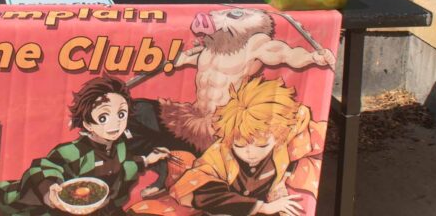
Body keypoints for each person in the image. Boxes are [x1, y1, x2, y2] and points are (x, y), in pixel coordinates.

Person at [127, 77, 325, 216]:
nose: (250, 151)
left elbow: (300, 118)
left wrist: (282, 185)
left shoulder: (285, 133)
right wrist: (262, 207)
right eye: (240, 144)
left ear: (279, 137)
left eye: (261, 145)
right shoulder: (219, 155)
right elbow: (197, 191)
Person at [0, 76, 170, 215]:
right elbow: (43, 168)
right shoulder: (75, 151)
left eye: (121, 114)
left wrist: (147, 160)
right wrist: (51, 192)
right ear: (87, 123)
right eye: (103, 117)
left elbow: (125, 164)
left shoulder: (120, 146)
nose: (115, 124)